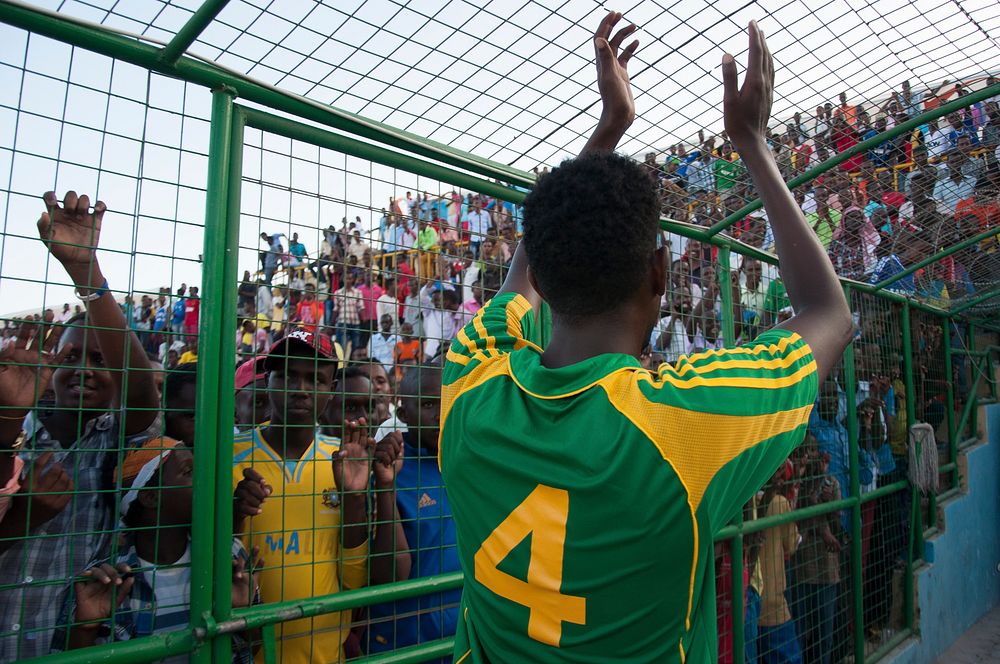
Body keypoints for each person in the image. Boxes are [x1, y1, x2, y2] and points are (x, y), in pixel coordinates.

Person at [438, 15, 851, 663]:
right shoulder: (685, 421)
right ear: (660, 273)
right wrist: (753, 144)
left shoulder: (471, 380)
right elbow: (829, 312)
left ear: (544, 274)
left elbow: (520, 280)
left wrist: (609, 129)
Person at [0, 191, 158, 660]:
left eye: (98, 359)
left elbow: (141, 389)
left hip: (64, 645)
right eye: (70, 358)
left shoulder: (115, 438)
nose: (85, 370)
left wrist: (84, 271)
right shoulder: (12, 431)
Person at [230, 329, 398, 663]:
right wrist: (236, 513)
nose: (301, 390)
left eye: (315, 380)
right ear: (269, 381)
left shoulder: (343, 458)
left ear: (330, 390)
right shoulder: (229, 457)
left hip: (324, 653)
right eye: (288, 376)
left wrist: (352, 498)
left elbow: (353, 577)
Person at [56, 443, 261, 660]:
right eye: (189, 471)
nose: (208, 478)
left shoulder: (227, 556)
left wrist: (243, 613)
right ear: (151, 497)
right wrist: (85, 629)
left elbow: (254, 646)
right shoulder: (104, 582)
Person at [365, 365, 460, 660]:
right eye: (429, 404)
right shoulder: (390, 471)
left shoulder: (469, 462)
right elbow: (388, 575)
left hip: (463, 638)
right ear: (403, 414)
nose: (440, 414)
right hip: (406, 643)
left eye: (448, 402)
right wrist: (386, 487)